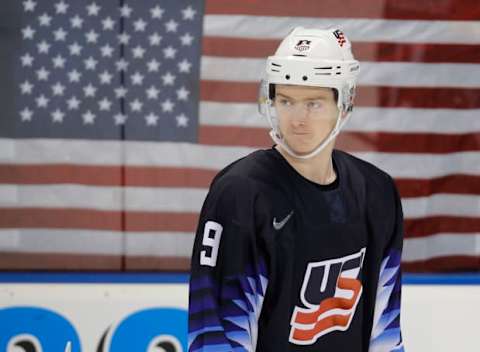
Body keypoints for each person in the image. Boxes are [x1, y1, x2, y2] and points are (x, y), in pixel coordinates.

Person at [188, 27, 404, 352]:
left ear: (344, 103)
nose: (296, 119)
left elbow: (385, 331)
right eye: (286, 101)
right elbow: (215, 335)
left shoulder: (376, 192)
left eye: (313, 103)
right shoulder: (242, 195)